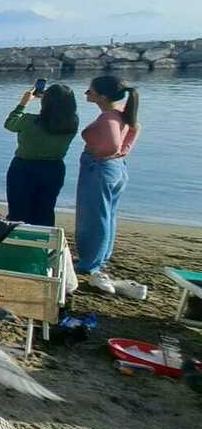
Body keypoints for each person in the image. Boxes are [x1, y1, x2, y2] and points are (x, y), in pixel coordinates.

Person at [75, 75, 141, 293]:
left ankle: (89, 263)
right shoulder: (121, 111)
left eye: (90, 91)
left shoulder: (108, 119)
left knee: (94, 217)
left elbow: (112, 144)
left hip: (101, 168)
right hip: (117, 168)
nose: (87, 93)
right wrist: (123, 151)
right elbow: (135, 128)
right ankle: (100, 257)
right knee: (107, 215)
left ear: (102, 96)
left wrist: (103, 154)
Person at [3, 84, 78, 227]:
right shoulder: (72, 122)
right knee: (45, 210)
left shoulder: (29, 121)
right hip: (53, 168)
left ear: (45, 101)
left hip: (23, 168)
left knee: (18, 212)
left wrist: (23, 103)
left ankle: (17, 243)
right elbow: (57, 114)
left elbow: (9, 124)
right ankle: (42, 243)